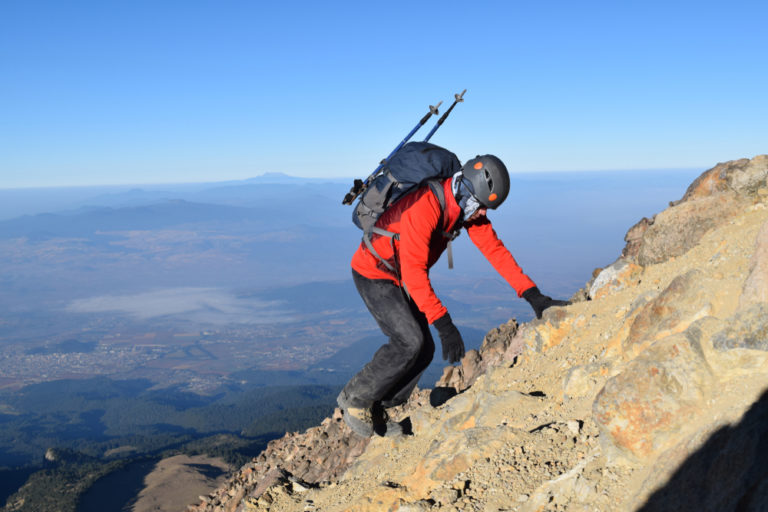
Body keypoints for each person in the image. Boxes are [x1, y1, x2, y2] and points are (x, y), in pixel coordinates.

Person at [338, 150, 568, 437]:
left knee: (425, 351)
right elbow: (414, 273)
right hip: (373, 272)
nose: (482, 213)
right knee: (409, 341)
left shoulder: (464, 207)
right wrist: (444, 323)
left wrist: (535, 296)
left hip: (398, 274)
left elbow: (495, 251)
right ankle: (356, 400)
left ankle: (377, 406)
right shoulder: (425, 206)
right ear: (466, 189)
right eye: (480, 205)